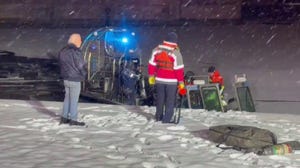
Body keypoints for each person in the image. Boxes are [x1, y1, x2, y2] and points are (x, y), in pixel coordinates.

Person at [148, 32, 185, 123]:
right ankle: (167, 119)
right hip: (171, 82)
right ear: (175, 41)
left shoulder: (156, 50)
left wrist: (151, 76)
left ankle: (158, 116)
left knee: (160, 99)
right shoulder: (176, 53)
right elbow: (179, 70)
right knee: (170, 100)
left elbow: (151, 65)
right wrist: (181, 83)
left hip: (159, 80)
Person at [58, 33, 86, 126]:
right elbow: (80, 65)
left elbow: (61, 64)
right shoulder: (76, 51)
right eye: (80, 40)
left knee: (67, 98)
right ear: (76, 41)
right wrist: (84, 74)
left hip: (66, 78)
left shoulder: (63, 51)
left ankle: (64, 118)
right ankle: (73, 120)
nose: (81, 42)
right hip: (75, 79)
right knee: (74, 100)